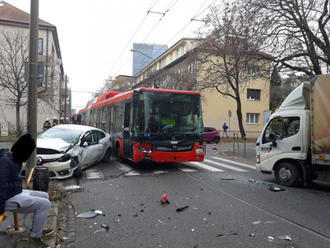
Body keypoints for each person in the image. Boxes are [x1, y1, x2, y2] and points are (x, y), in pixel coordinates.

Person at [0, 134, 52, 248]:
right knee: (44, 204)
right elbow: (1, 186)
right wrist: (1, 209)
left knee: (44, 196)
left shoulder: (13, 158)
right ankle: (34, 238)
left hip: (14, 193)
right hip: (6, 198)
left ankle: (37, 228)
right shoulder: (4, 162)